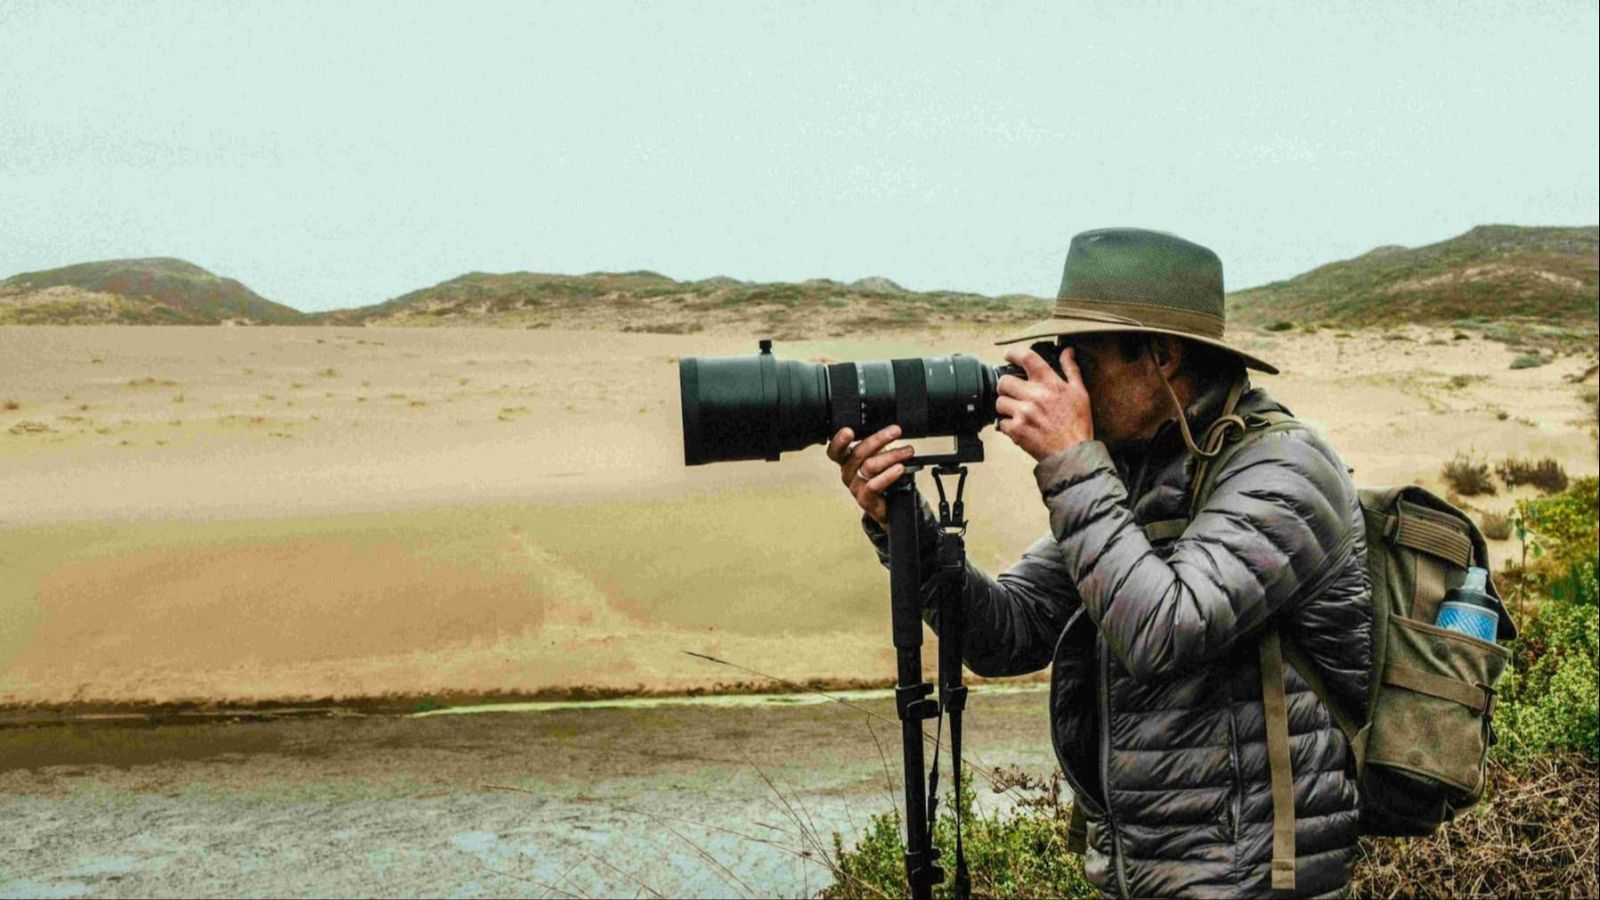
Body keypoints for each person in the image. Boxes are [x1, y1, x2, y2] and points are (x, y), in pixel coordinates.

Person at [825, 228, 1371, 899]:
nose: (1061, 379)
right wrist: (903, 527)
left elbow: (1164, 631)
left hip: (1256, 883)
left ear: (1162, 356)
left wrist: (1071, 462)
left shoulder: (1284, 470)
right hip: (1134, 879)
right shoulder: (1135, 474)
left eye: (1078, 358)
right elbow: (1010, 633)